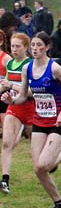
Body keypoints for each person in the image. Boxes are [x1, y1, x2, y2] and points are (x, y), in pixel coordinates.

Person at [4, 32, 61, 208]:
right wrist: (12, 101)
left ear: (47, 47)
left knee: (43, 165)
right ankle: (58, 203)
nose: (36, 49)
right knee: (39, 169)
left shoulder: (54, 68)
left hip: (57, 122)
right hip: (39, 121)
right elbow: (23, 96)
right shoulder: (27, 69)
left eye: (40, 45)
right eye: (33, 46)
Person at [0, 34, 34, 195]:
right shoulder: (11, 63)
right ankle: (5, 180)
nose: (14, 50)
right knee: (7, 143)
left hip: (32, 108)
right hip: (14, 108)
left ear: (26, 47)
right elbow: (5, 85)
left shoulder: (30, 65)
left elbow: (32, 92)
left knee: (40, 157)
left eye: (17, 46)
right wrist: (4, 93)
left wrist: (12, 86)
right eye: (12, 46)